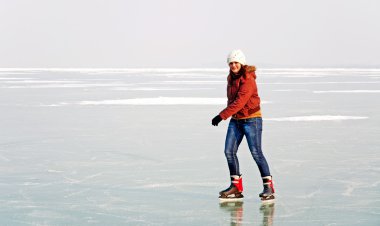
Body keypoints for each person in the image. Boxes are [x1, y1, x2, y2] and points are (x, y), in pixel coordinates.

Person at [212, 49, 275, 202]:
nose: (233, 65)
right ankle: (236, 187)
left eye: (236, 62)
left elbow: (240, 102)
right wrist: (228, 114)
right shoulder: (231, 78)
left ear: (242, 63)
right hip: (236, 120)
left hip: (251, 120)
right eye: (231, 63)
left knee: (256, 153)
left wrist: (221, 116)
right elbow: (232, 101)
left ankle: (269, 187)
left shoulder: (248, 79)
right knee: (229, 151)